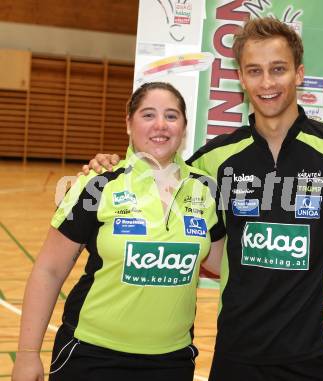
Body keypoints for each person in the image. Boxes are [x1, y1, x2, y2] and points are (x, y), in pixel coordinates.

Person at [83, 17, 323, 381]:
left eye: (278, 69)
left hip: (317, 348)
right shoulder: (216, 158)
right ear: (241, 78)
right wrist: (109, 163)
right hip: (238, 349)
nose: (267, 83)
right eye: (254, 71)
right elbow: (161, 176)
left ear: (299, 74)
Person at [12, 82, 225, 381]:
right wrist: (27, 354)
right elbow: (49, 270)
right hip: (91, 355)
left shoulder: (205, 189)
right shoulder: (98, 184)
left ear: (184, 126)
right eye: (148, 115)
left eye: (172, 116)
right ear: (128, 123)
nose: (160, 125)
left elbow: (224, 263)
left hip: (171, 361)